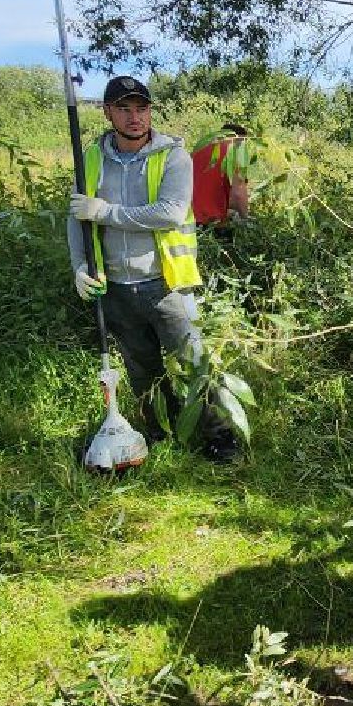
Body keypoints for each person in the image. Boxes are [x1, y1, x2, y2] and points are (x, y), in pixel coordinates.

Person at [67, 75, 239, 461]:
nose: (134, 117)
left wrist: (106, 212)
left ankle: (220, 437)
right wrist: (79, 267)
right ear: (108, 112)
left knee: (196, 364)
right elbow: (76, 217)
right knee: (142, 372)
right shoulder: (91, 159)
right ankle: (160, 433)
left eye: (141, 108)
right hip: (113, 288)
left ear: (150, 112)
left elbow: (170, 213)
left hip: (166, 285)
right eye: (124, 109)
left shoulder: (173, 157)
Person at [190, 122, 252, 232]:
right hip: (214, 223)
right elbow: (238, 194)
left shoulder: (198, 149)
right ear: (239, 139)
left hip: (187, 218)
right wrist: (245, 219)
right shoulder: (235, 153)